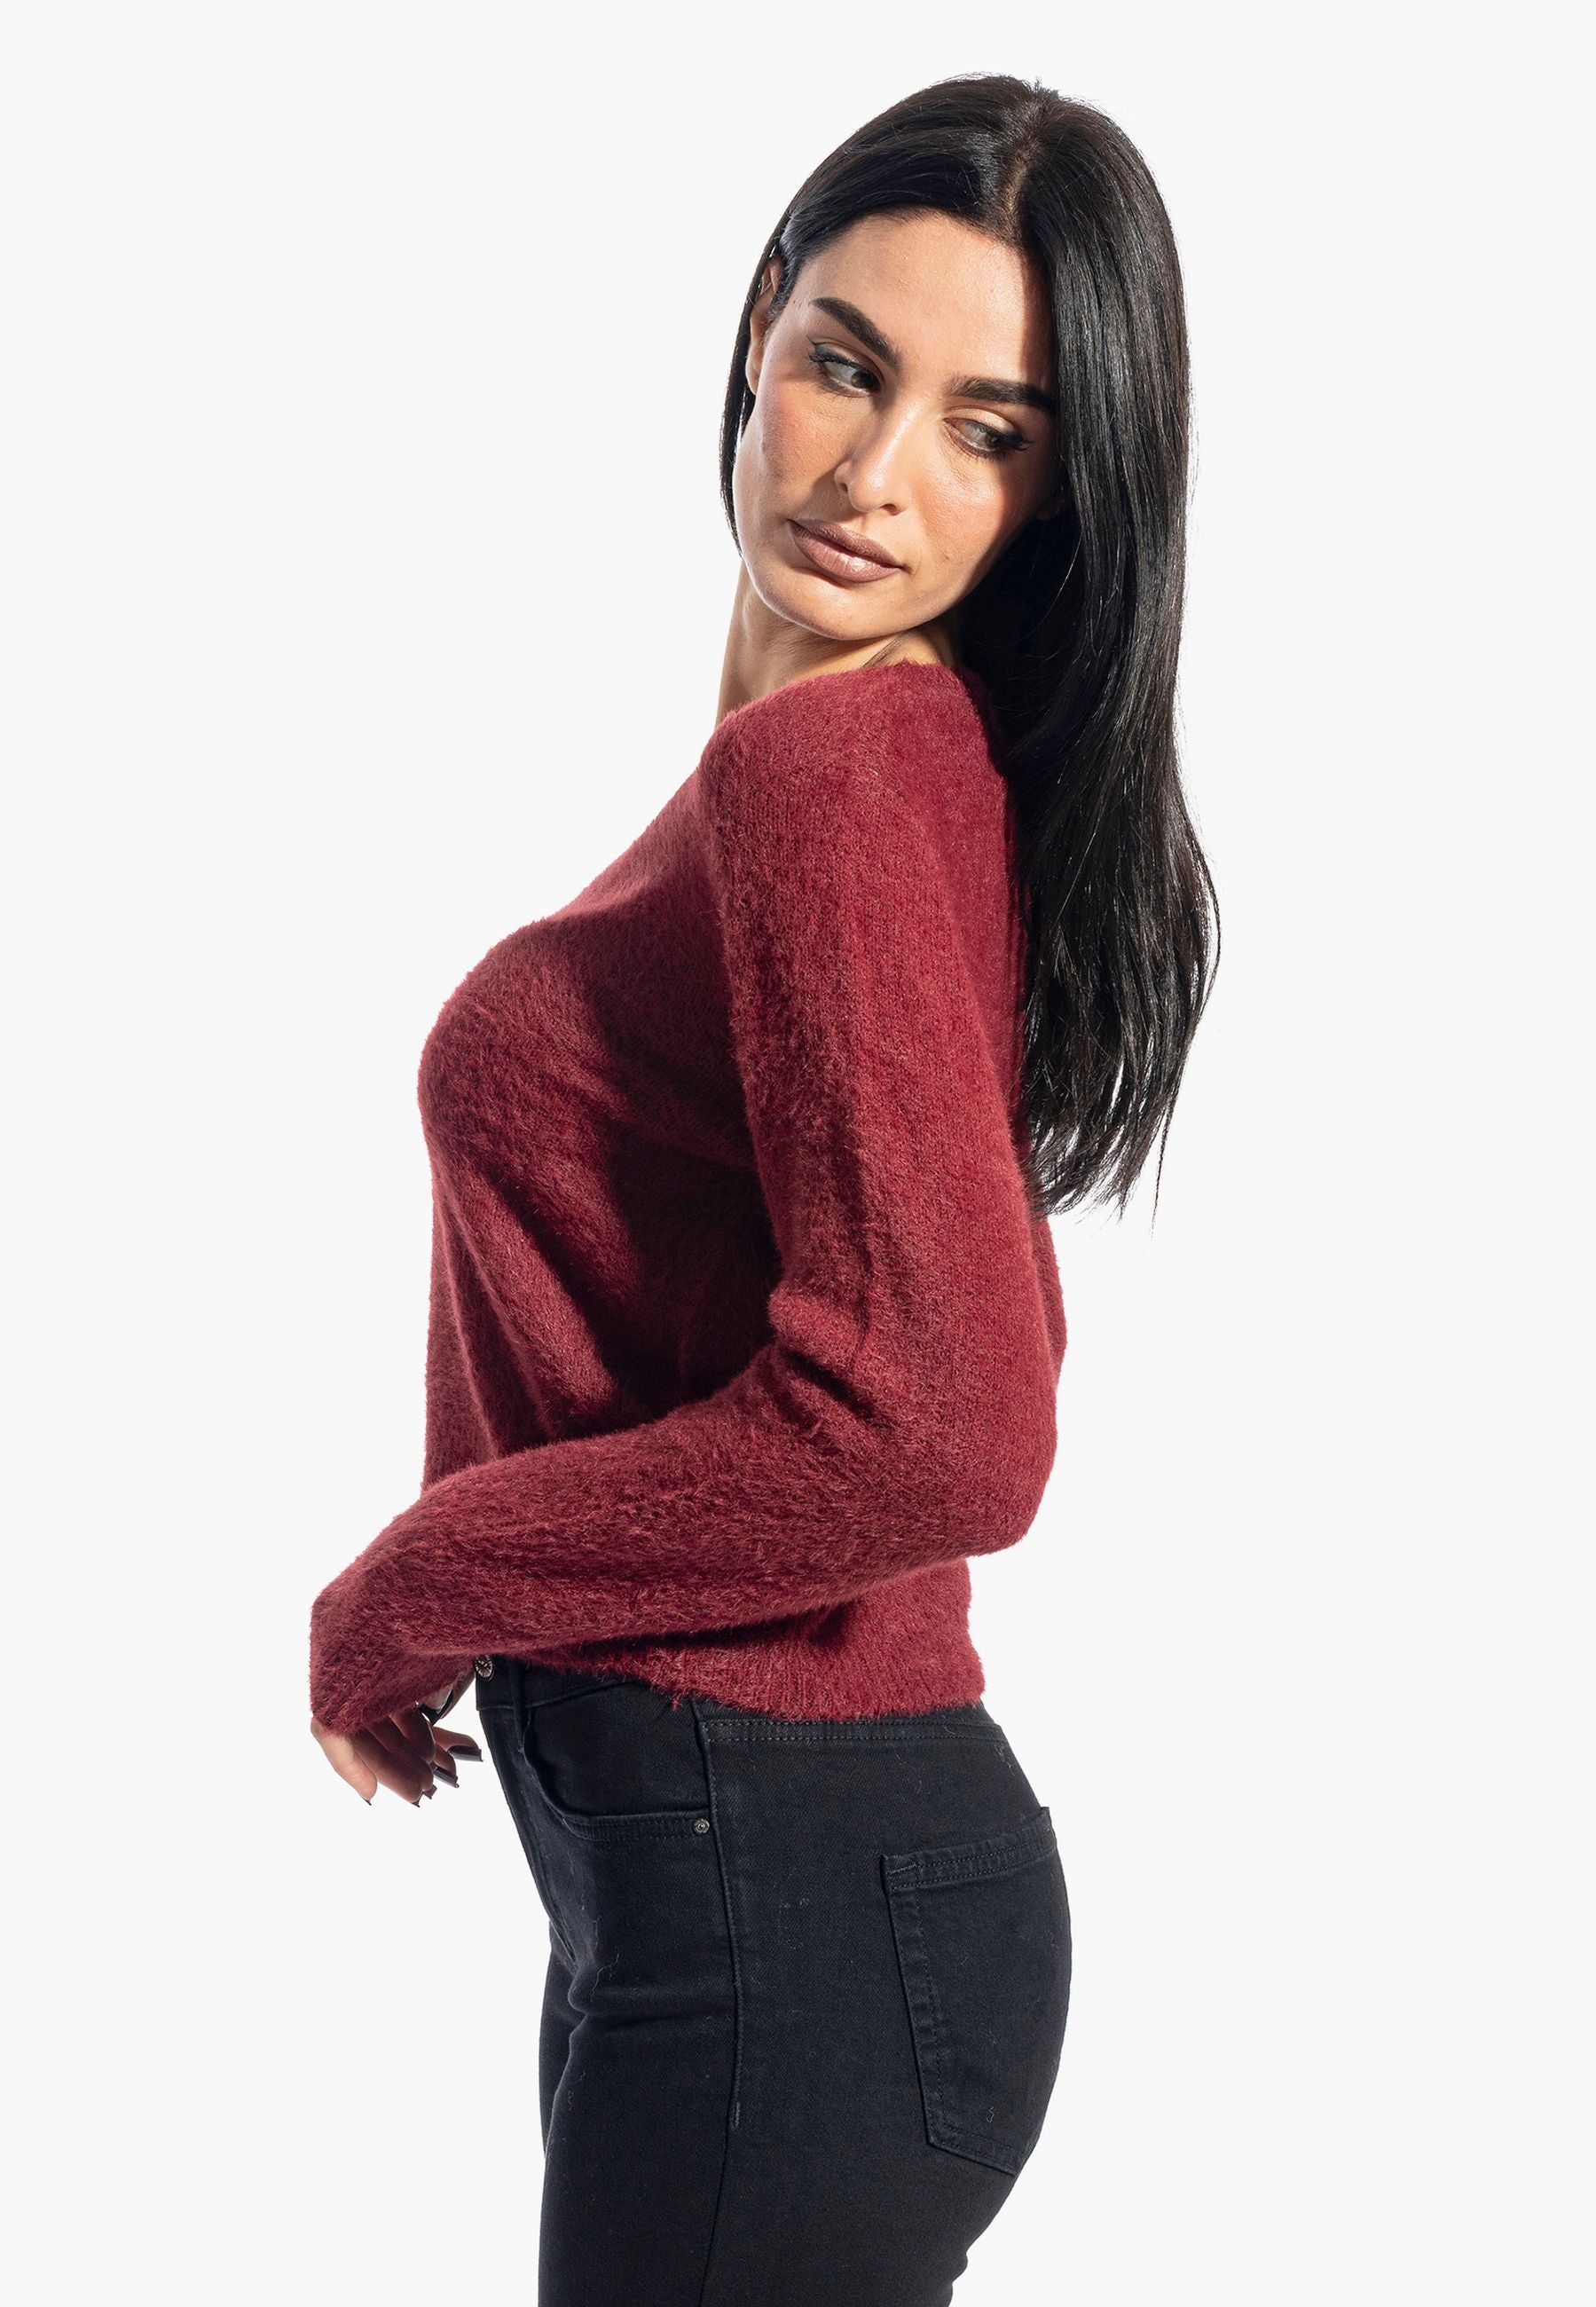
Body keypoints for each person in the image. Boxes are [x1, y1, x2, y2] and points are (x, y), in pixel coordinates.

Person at [308, 71, 1217, 2307]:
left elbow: (954, 1422)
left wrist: (414, 1580)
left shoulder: (840, 775)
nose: (875, 473)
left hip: (784, 1891)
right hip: (749, 1886)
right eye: (845, 365)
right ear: (756, 331)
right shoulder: (847, 768)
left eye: (987, 431)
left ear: (1055, 490)